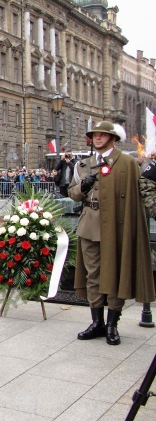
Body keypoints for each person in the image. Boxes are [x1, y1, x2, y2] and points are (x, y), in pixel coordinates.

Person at [68, 121, 154, 345]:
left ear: (113, 138)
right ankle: (97, 323)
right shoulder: (83, 165)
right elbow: (73, 194)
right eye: (95, 135)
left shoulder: (127, 162)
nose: (97, 138)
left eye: (102, 135)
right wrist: (82, 187)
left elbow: (141, 191)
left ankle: (113, 324)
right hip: (90, 226)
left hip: (117, 225)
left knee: (116, 273)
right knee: (93, 276)